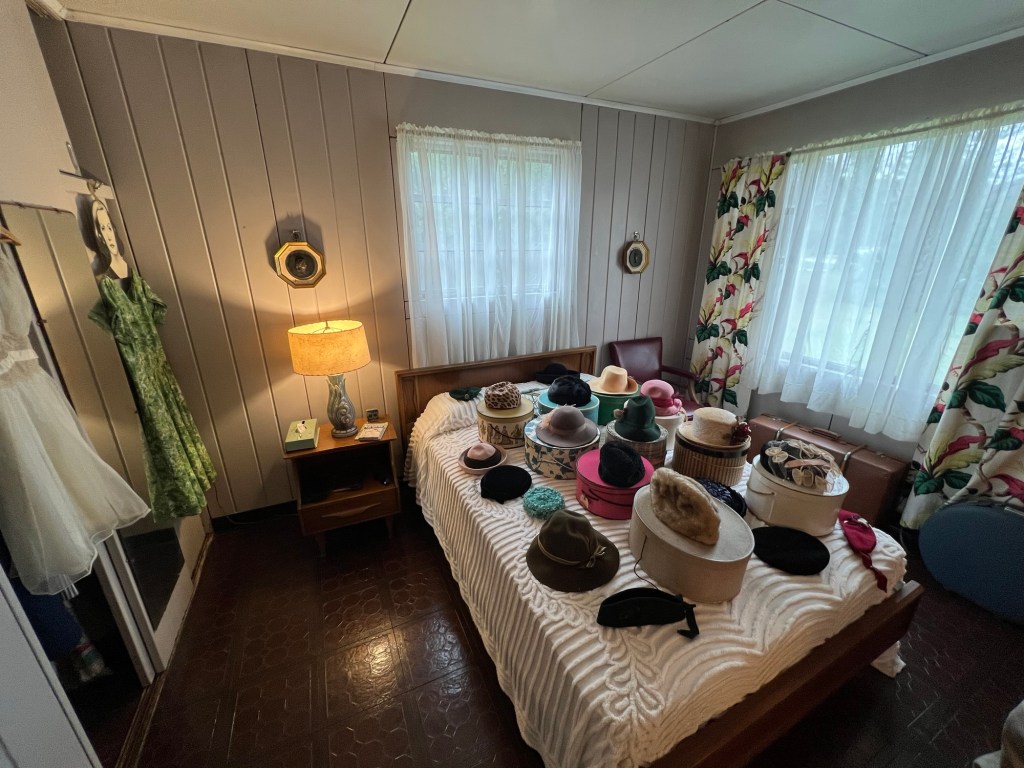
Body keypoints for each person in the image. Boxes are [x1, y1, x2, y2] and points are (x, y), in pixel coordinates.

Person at [91, 198, 130, 279]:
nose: (109, 237)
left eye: (109, 227)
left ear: (114, 229)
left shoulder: (131, 269)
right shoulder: (105, 278)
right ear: (100, 235)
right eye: (103, 229)